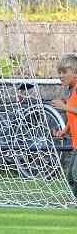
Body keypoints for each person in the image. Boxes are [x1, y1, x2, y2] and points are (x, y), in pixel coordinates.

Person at [50, 54, 77, 198]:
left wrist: (64, 107)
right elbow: (73, 115)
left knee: (76, 176)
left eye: (65, 72)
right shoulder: (69, 91)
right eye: (59, 72)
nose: (61, 75)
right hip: (75, 144)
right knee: (71, 179)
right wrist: (65, 130)